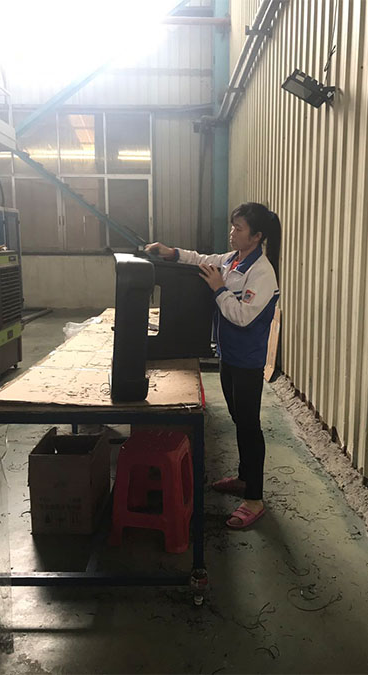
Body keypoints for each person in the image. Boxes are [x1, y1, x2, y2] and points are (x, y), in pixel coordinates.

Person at [145, 202, 281, 529]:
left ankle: (254, 499)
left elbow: (242, 316)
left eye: (239, 228)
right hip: (229, 356)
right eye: (233, 226)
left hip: (247, 362)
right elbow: (203, 260)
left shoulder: (261, 273)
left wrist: (219, 289)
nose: (232, 233)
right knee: (238, 419)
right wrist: (172, 253)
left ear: (257, 236)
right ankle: (244, 478)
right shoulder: (232, 260)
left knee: (249, 426)